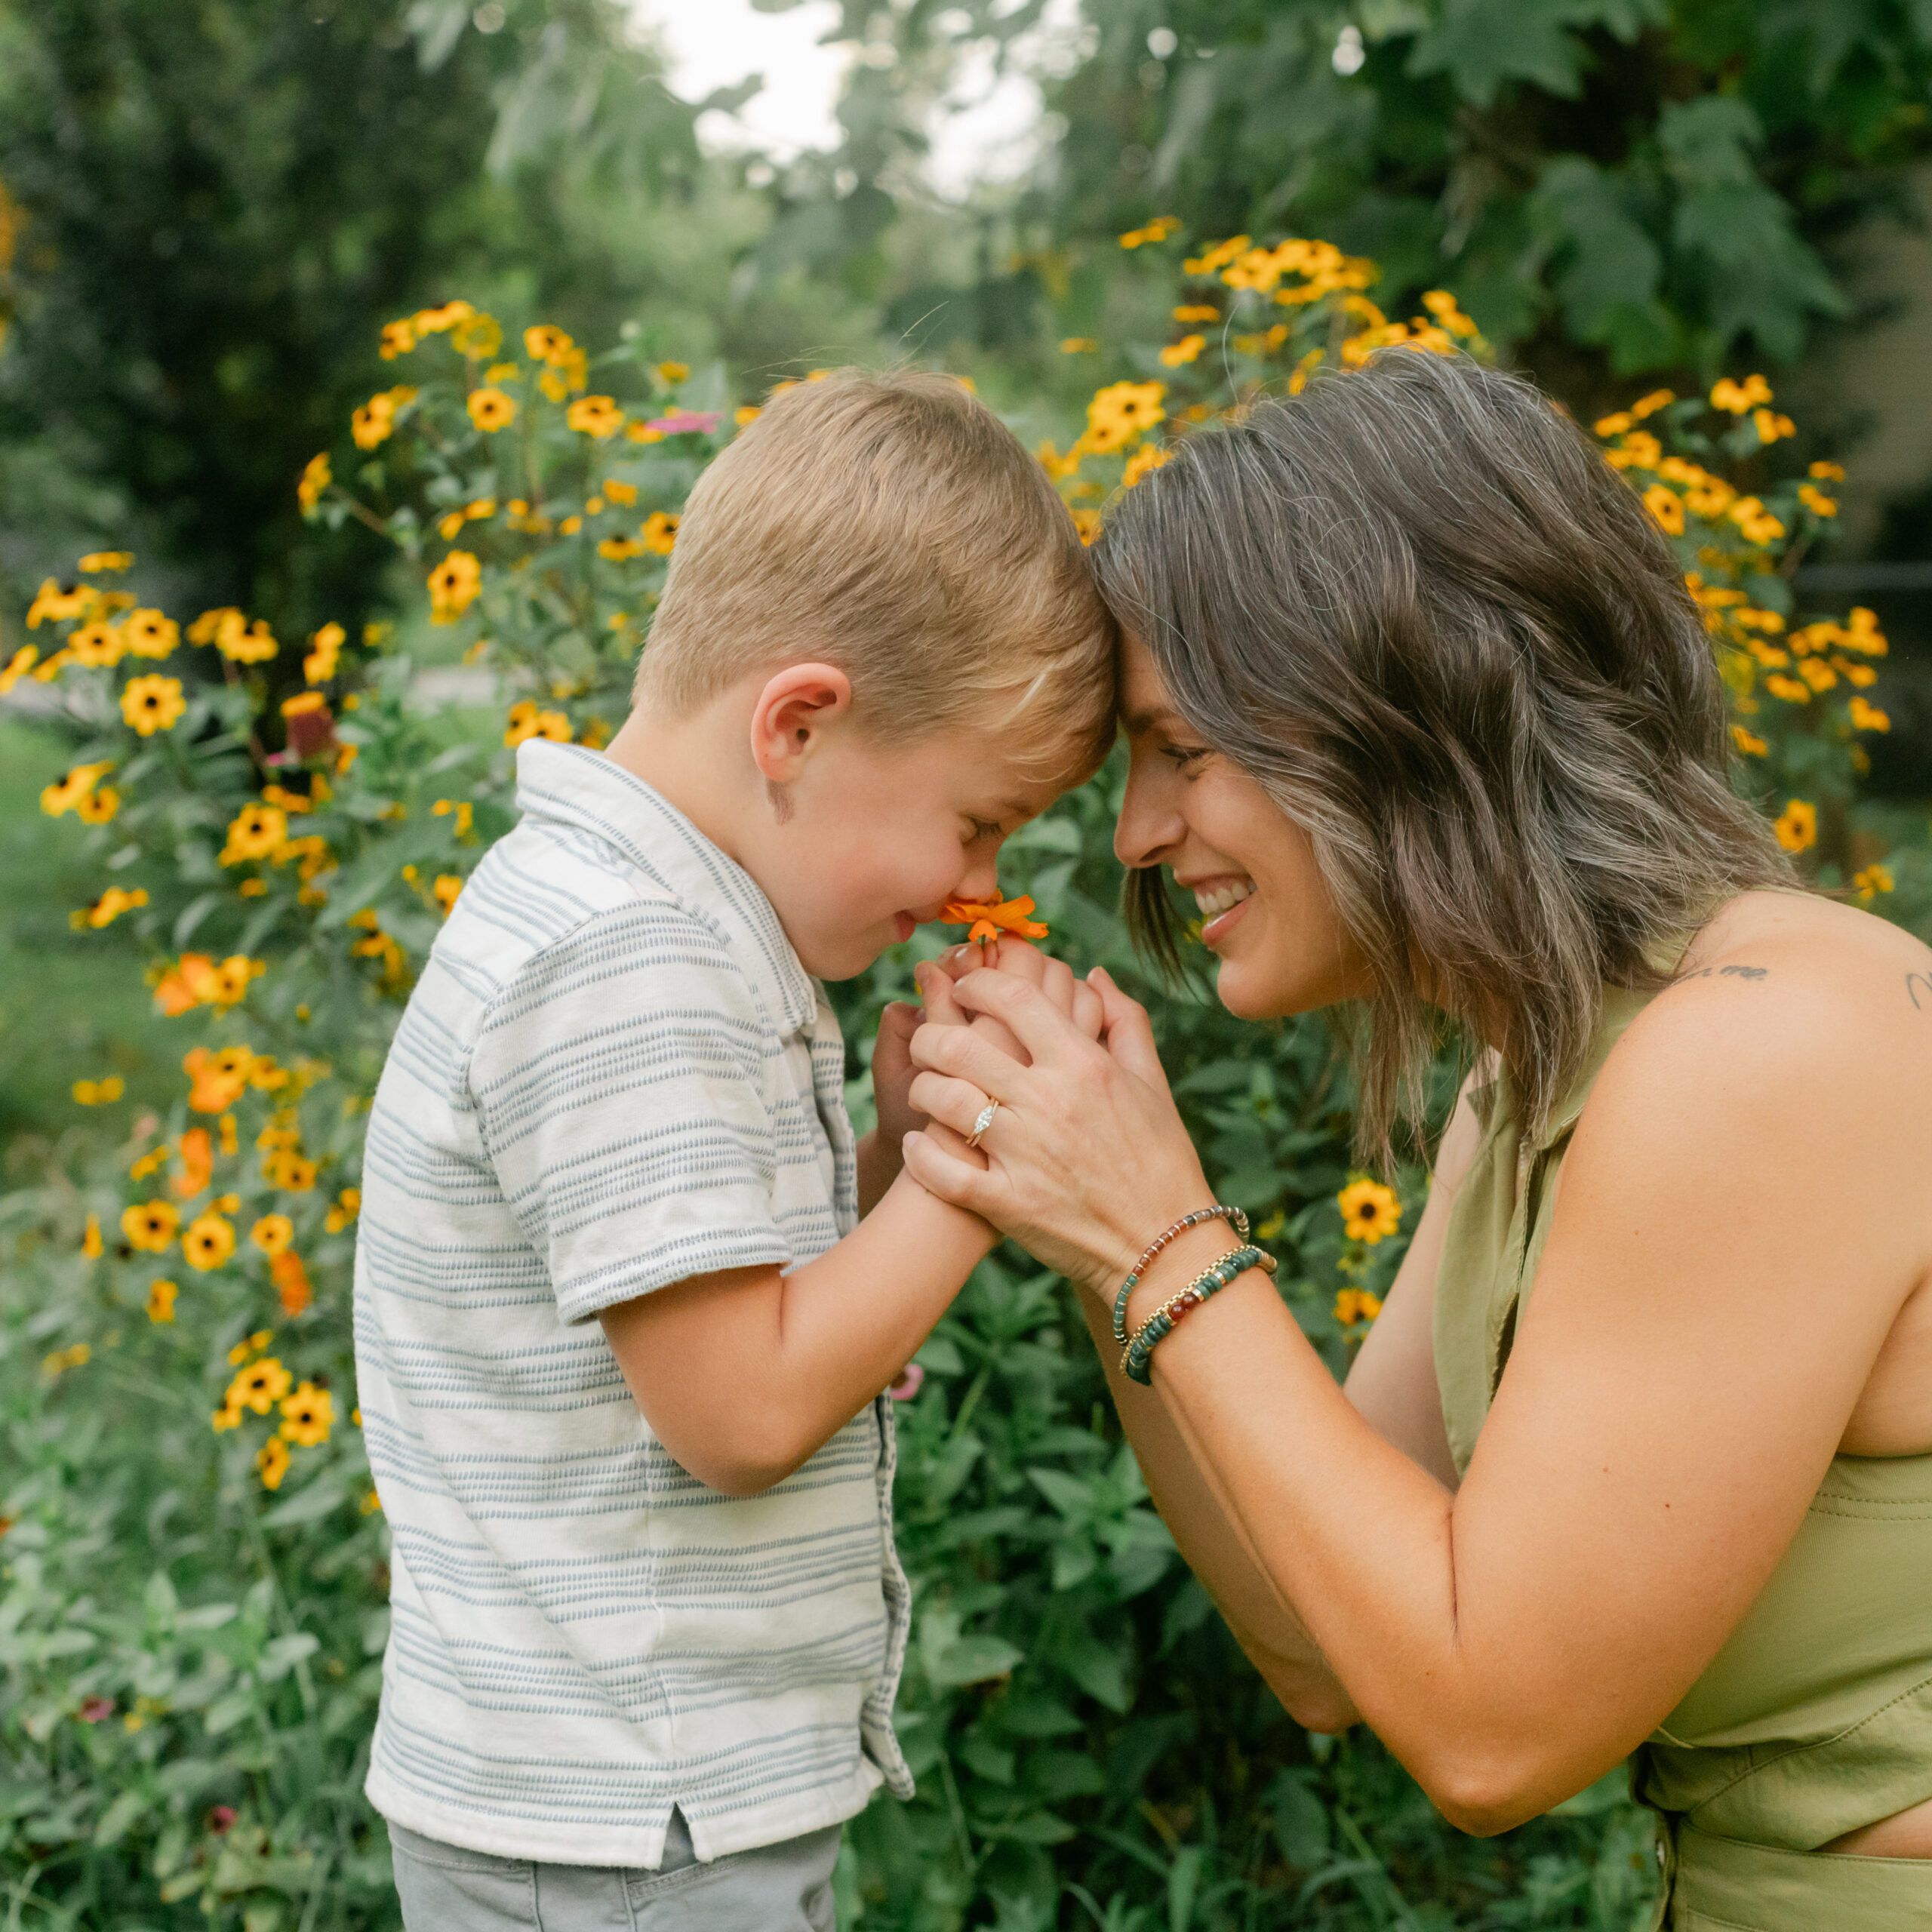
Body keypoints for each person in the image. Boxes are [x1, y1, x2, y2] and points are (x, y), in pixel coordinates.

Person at [901, 348, 1932, 1930]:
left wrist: (1152, 1225)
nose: (1133, 836)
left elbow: (1487, 1722)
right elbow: (1321, 1640)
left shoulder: (1762, 1049)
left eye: (1183, 748)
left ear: (1401, 708)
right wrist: (1091, 1225)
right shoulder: (1532, 1070)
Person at [352, 370, 1113, 1930]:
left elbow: (724, 1314)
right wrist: (983, 1163)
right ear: (798, 723)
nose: (984, 884)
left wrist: (899, 1151)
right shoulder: (630, 957)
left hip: (630, 1796)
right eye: (979, 820)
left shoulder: (652, 919)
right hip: (624, 1822)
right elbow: (743, 1407)